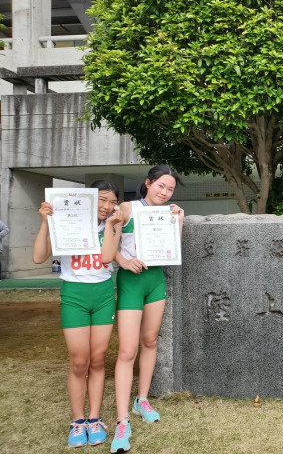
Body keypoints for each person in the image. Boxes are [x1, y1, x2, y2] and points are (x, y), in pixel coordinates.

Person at [32, 180, 123, 448]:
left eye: (112, 201)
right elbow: (38, 257)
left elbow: (107, 257)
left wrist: (111, 226)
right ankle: (77, 421)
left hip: (103, 295)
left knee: (98, 359)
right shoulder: (66, 221)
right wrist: (45, 222)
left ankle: (94, 418)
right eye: (102, 199)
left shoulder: (113, 224)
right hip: (74, 295)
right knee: (79, 361)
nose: (107, 206)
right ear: (88, 199)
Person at [110, 165, 184, 454]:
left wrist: (178, 221)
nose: (164, 192)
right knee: (127, 350)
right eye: (160, 186)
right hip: (131, 280)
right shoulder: (127, 208)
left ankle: (141, 400)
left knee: (150, 340)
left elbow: (172, 249)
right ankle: (122, 420)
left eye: (170, 189)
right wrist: (123, 261)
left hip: (155, 280)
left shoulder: (168, 213)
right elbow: (108, 242)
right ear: (148, 183)